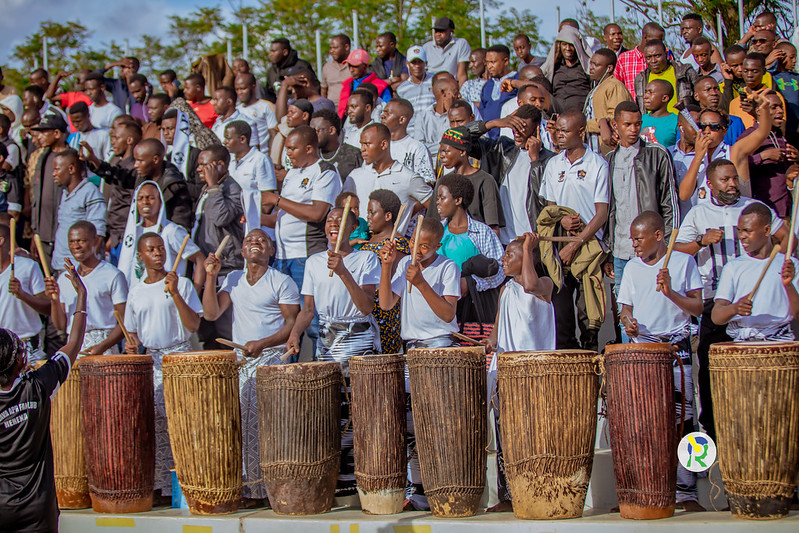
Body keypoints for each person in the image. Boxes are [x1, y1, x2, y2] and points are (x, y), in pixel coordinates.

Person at [674, 158, 787, 439]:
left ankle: (756, 428)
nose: (732, 184)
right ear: (710, 184)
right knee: (711, 363)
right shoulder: (699, 214)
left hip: (753, 297)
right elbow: (675, 250)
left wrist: (778, 261)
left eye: (734, 178)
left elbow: (787, 238)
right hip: (716, 298)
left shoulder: (754, 210)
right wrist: (701, 241)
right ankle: (712, 429)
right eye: (725, 180)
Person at [287, 206, 381, 498]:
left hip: (359, 340)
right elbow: (308, 309)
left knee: (359, 410)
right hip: (327, 343)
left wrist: (343, 272)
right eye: (330, 220)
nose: (333, 224)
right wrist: (295, 333)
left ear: (353, 227)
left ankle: (363, 480)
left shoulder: (366, 258)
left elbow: (366, 306)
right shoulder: (315, 262)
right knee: (331, 412)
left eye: (341, 221)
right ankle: (337, 483)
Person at [202, 228, 301, 503]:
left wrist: (263, 342)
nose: (255, 243)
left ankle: (270, 488)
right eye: (249, 240)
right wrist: (211, 277)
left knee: (268, 427)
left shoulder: (281, 281)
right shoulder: (232, 279)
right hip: (241, 362)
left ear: (272, 251)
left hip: (271, 361)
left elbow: (291, 324)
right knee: (241, 428)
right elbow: (211, 313)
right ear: (242, 251)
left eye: (262, 241)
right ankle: (249, 488)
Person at [617, 211, 705, 511]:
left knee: (685, 422)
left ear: (658, 235)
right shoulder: (631, 268)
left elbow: (698, 307)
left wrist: (671, 293)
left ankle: (688, 492)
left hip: (677, 350)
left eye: (639, 238)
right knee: (644, 421)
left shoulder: (684, 262)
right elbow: (625, 308)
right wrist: (628, 321)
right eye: (632, 239)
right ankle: (646, 487)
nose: (635, 244)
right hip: (644, 353)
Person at [0, 258, 86, 533]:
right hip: (39, 508)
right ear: (20, 361)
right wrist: (81, 296)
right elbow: (73, 343)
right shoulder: (38, 385)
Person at [123, 232, 202, 499]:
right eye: (151, 250)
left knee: (184, 422)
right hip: (153, 360)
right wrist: (130, 346)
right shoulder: (135, 291)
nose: (158, 253)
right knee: (157, 426)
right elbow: (132, 334)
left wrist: (176, 292)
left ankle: (190, 484)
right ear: (141, 256)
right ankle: (163, 488)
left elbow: (193, 325)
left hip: (180, 356)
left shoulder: (183, 283)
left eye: (161, 249)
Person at [482, 232, 555, 512]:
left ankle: (534, 489)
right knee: (504, 436)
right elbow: (497, 331)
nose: (503, 259)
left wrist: (527, 246)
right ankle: (507, 495)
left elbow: (531, 284)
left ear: (526, 258)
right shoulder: (505, 290)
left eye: (510, 255)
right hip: (506, 373)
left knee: (531, 434)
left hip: (534, 374)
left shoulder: (545, 285)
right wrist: (487, 344)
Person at [540, 110, 609, 351]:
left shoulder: (597, 164)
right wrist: (562, 221)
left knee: (588, 312)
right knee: (561, 314)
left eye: (565, 131)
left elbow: (601, 212)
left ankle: (591, 362)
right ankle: (569, 368)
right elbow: (550, 209)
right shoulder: (553, 164)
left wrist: (576, 242)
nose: (558, 135)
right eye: (557, 130)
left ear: (581, 132)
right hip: (559, 245)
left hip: (588, 246)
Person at [605, 100, 679, 296]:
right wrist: (608, 251)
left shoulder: (657, 154)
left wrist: (668, 245)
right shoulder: (609, 159)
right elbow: (610, 209)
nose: (633, 129)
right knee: (624, 312)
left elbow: (669, 203)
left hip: (652, 250)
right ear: (616, 125)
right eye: (627, 124)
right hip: (620, 250)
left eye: (637, 124)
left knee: (653, 305)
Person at [263, 126, 342, 296]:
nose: (288, 153)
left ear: (308, 148)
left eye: (292, 148)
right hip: (282, 255)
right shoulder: (292, 173)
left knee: (309, 314)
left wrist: (275, 199)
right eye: (287, 149)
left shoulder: (325, 171)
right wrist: (256, 217)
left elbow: (317, 213)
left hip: (306, 255)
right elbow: (282, 216)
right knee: (287, 311)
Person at [712, 202, 799, 341]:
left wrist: (789, 285)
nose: (741, 236)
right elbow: (716, 316)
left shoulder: (790, 264)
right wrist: (735, 308)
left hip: (781, 342)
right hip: (743, 344)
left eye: (747, 231)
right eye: (739, 230)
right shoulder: (733, 267)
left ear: (766, 230)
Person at [45, 221, 127, 355]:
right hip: (74, 348)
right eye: (72, 242)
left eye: (81, 241)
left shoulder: (112, 274)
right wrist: (53, 300)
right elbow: (61, 325)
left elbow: (125, 320)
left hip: (104, 346)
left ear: (95, 241)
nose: (76, 246)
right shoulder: (64, 278)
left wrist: (103, 346)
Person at [435, 173, 505, 325]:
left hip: (472, 309)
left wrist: (472, 283)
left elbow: (500, 269)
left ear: (458, 200)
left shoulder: (482, 232)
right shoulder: (436, 232)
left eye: (442, 198)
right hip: (439, 307)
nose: (437, 202)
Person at [83, 137, 193, 230]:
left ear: (155, 159)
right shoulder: (141, 175)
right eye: (135, 160)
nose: (135, 165)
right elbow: (117, 175)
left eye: (140, 161)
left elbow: (181, 223)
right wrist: (94, 160)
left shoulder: (174, 186)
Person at [345, 123, 432, 235]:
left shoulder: (408, 177)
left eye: (367, 144)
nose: (362, 149)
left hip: (392, 248)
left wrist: (410, 215)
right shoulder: (355, 176)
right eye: (361, 144)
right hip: (359, 248)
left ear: (384, 144)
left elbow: (434, 206)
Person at [118, 181, 204, 290]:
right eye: (140, 199)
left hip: (169, 298)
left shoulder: (171, 231)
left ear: (160, 202)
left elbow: (200, 258)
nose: (145, 202)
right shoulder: (133, 232)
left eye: (150, 198)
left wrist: (194, 293)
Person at [731, 89, 796, 218]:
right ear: (759, 111)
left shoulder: (780, 135)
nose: (780, 111)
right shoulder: (749, 136)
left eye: (781, 107)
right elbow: (736, 163)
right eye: (773, 107)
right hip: (765, 209)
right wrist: (763, 156)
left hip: (786, 206)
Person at [359, 189, 410, 353]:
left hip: (386, 314)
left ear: (388, 216)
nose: (368, 217)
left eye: (372, 213)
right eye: (367, 212)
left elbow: (394, 281)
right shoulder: (367, 243)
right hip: (366, 311)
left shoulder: (398, 244)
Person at [428, 126, 504, 233]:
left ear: (462, 152)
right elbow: (432, 223)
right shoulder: (443, 182)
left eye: (446, 151)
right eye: (441, 152)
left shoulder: (485, 180)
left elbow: (493, 228)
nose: (442, 156)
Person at [50, 148, 106, 272]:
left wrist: (88, 269)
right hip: (60, 264)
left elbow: (98, 232)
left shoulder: (90, 192)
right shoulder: (65, 193)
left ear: (71, 169)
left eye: (57, 169)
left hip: (78, 268)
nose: (53, 174)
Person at [193, 145, 245, 275]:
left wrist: (213, 186)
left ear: (220, 165)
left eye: (203, 165)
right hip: (209, 262)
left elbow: (220, 218)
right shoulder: (209, 187)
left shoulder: (232, 189)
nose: (198, 169)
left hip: (226, 265)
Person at [0, 223, 49, 362]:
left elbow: (48, 307)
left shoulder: (27, 266)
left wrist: (23, 295)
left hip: (26, 346)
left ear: (1, 241)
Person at [28, 114, 70, 264]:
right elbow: (36, 198)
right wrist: (35, 232)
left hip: (62, 234)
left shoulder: (71, 158)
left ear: (57, 133)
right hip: (43, 233)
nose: (40, 136)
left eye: (45, 132)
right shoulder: (42, 157)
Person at [225, 120, 277, 234]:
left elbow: (268, 200)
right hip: (236, 225)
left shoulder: (260, 159)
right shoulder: (230, 161)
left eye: (228, 138)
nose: (225, 142)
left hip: (256, 226)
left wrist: (254, 217)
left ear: (242, 139)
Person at [677, 108, 732, 206]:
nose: (707, 131)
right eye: (702, 126)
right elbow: (684, 195)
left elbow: (760, 134)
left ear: (724, 131)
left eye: (714, 127)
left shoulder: (731, 152)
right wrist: (698, 157)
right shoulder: (698, 155)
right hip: (703, 216)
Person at [585, 48, 634, 154]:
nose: (591, 68)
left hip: (609, 149)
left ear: (609, 68)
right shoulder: (598, 87)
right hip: (594, 146)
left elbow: (616, 119)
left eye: (596, 65)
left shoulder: (614, 86)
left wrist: (586, 125)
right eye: (591, 63)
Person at [634, 39, 697, 115]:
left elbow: (699, 99)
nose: (653, 61)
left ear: (666, 54)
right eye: (648, 57)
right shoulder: (640, 79)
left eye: (657, 56)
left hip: (681, 124)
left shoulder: (684, 72)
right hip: (652, 125)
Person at [381, 98, 435, 184]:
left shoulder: (416, 148)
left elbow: (427, 183)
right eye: (383, 112)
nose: (382, 116)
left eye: (388, 113)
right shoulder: (378, 145)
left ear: (402, 119)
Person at [542, 26, 592, 112]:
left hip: (580, 114)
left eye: (571, 45)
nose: (568, 48)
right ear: (560, 46)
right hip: (557, 115)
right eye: (564, 45)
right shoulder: (554, 67)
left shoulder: (585, 67)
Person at [413, 76, 463, 158]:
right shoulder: (422, 117)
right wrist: (447, 147)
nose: (459, 96)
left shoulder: (461, 113)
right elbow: (419, 147)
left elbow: (460, 140)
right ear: (443, 93)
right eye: (456, 92)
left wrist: (449, 113)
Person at [615, 22, 667, 99]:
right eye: (657, 40)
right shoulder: (624, 58)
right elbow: (617, 87)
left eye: (662, 41)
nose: (660, 44)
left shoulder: (664, 57)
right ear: (645, 37)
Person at [728, 53, 779, 129]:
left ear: (763, 71)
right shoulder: (734, 103)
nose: (749, 75)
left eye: (754, 71)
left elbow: (780, 129)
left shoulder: (774, 98)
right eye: (745, 71)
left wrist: (755, 113)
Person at [668, 104, 702, 218]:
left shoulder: (706, 156)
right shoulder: (667, 154)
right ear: (681, 127)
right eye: (694, 124)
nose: (699, 130)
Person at [311, 108, 363, 181]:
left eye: (316, 131)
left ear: (332, 130)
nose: (313, 135)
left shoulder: (354, 154)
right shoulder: (310, 155)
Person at [337, 49, 390, 120]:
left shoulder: (381, 85)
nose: (351, 69)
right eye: (349, 66)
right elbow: (341, 113)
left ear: (365, 66)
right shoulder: (347, 85)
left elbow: (387, 109)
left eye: (355, 66)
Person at [693, 76, 746, 145]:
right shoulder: (691, 122)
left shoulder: (735, 122)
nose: (714, 93)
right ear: (696, 96)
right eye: (708, 90)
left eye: (717, 89)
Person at [235, 72, 278, 154]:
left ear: (253, 87)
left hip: (263, 154)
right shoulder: (237, 110)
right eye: (237, 89)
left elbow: (273, 134)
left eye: (243, 88)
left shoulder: (267, 106)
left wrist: (272, 157)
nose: (240, 92)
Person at [423, 17, 471, 85]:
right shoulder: (426, 47)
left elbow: (462, 75)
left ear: (451, 32)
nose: (438, 34)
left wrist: (460, 93)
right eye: (436, 31)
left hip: (451, 86)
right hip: (431, 87)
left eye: (442, 31)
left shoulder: (461, 44)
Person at [265, 38, 314, 104]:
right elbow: (270, 95)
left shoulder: (302, 66)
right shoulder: (271, 71)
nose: (270, 54)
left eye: (273, 51)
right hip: (280, 110)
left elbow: (314, 91)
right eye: (270, 51)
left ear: (285, 52)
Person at [481, 45, 518, 130]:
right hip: (489, 137)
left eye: (493, 62)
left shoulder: (517, 79)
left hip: (510, 135)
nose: (489, 66)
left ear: (505, 61)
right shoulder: (487, 85)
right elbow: (482, 111)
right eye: (487, 62)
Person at [396, 46, 435, 119]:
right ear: (407, 64)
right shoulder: (401, 89)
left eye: (420, 62)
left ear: (425, 63)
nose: (417, 66)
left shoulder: (435, 80)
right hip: (411, 129)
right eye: (413, 62)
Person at [772, 41, 799, 146]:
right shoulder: (771, 76)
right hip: (782, 127)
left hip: (796, 127)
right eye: (791, 57)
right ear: (781, 57)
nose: (795, 61)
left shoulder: (796, 77)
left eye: (795, 57)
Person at [641, 79, 680, 146]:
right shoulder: (640, 120)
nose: (645, 97)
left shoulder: (676, 122)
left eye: (651, 92)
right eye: (646, 92)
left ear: (664, 98)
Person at [322, 34, 352, 106]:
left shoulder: (354, 66)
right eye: (330, 48)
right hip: (332, 108)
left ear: (346, 47)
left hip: (349, 107)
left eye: (335, 48)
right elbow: (323, 90)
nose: (331, 51)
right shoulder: (327, 67)